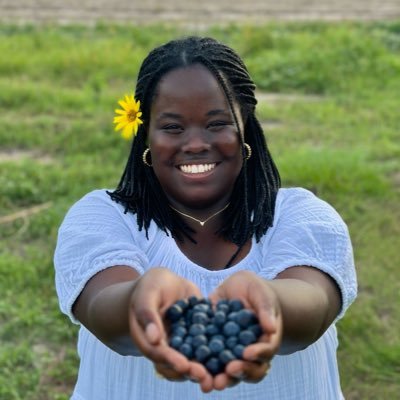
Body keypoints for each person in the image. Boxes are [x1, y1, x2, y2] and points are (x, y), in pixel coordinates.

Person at [54, 36, 357, 400]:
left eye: (217, 124)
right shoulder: (101, 217)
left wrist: (267, 305)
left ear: (245, 127)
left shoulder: (300, 216)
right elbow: (103, 306)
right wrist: (142, 303)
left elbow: (314, 301)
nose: (196, 143)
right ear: (145, 134)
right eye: (173, 127)